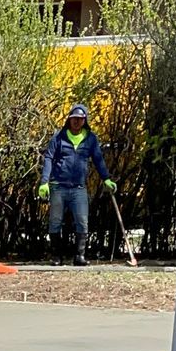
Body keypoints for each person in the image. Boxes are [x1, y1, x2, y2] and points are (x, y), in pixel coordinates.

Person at [38, 102, 116, 267]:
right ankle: (56, 257)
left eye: (80, 119)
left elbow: (98, 160)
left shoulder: (90, 138)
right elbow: (49, 158)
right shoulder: (58, 137)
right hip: (58, 186)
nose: (76, 122)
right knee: (55, 220)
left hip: (78, 188)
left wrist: (106, 178)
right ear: (69, 119)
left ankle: (79, 256)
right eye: (74, 118)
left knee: (82, 220)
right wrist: (44, 182)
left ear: (84, 120)